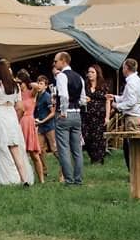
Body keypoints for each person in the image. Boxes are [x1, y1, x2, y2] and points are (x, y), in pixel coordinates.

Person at [0, 67, 31, 185]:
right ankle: (24, 179)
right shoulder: (16, 86)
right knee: (14, 149)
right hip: (11, 114)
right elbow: (20, 106)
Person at [51, 52, 85, 185]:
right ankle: (78, 179)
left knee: (64, 148)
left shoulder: (61, 76)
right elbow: (82, 99)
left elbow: (64, 96)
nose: (54, 64)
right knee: (77, 150)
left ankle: (69, 180)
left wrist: (63, 111)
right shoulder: (79, 77)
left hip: (65, 114)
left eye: (56, 61)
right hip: (77, 113)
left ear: (63, 61)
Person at [22, 72, 51, 184]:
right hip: (19, 123)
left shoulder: (32, 93)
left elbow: (37, 86)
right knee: (20, 153)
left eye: (20, 82)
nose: (19, 85)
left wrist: (28, 82)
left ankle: (41, 179)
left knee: (34, 153)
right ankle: (24, 178)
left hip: (29, 122)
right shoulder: (18, 93)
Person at [82, 63, 110, 166]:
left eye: (92, 72)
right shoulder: (85, 85)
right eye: (89, 72)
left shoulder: (103, 85)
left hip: (99, 116)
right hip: (87, 116)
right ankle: (92, 156)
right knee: (87, 137)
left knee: (98, 138)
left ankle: (98, 159)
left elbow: (107, 101)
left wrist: (107, 117)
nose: (90, 74)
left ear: (97, 73)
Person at [115, 57, 140, 127]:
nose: (122, 70)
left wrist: (117, 106)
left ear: (126, 68)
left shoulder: (131, 83)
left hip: (133, 118)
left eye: (123, 68)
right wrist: (115, 98)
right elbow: (128, 97)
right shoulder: (139, 80)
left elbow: (131, 102)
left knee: (131, 138)